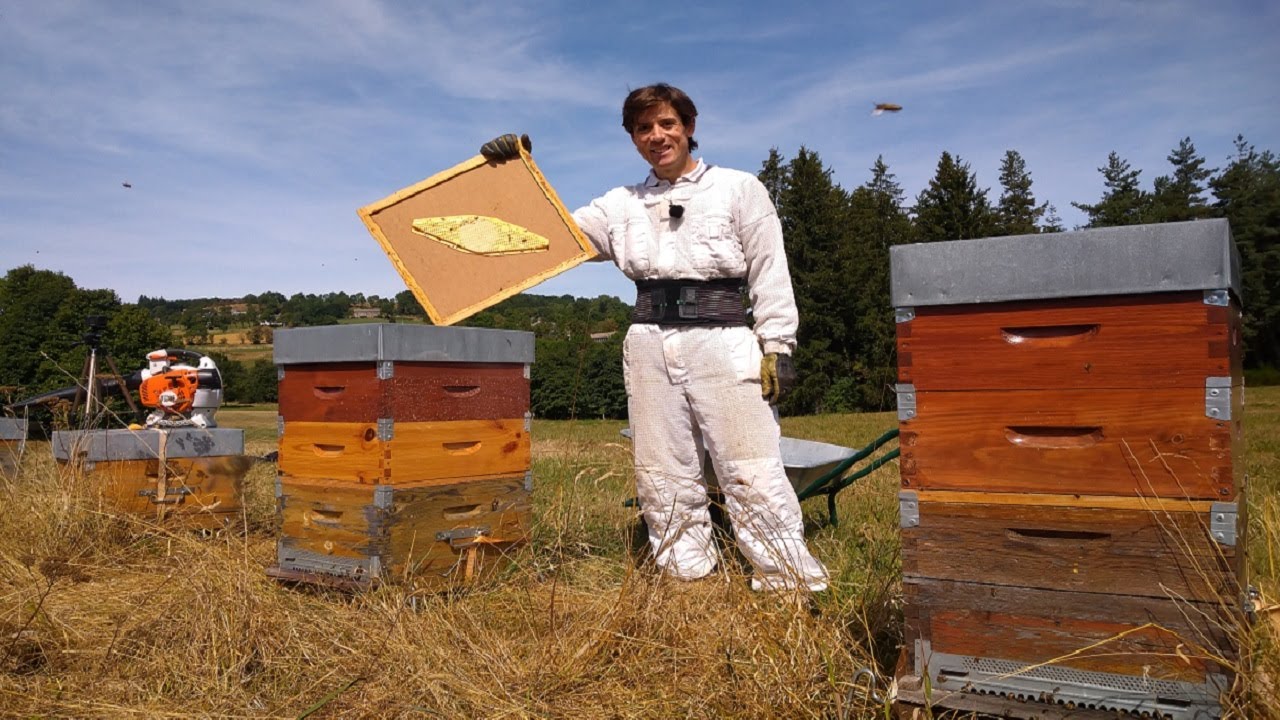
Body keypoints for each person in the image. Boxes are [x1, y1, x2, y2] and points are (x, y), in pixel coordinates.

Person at [481, 83, 827, 592]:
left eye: (667, 123)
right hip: (648, 345)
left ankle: (787, 581)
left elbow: (770, 268)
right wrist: (515, 176)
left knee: (750, 466)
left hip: (723, 341)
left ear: (688, 126)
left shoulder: (738, 188)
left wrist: (777, 345)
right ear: (633, 138)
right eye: (644, 128)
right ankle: (687, 575)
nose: (656, 136)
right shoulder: (619, 204)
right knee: (663, 474)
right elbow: (553, 238)